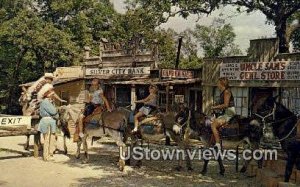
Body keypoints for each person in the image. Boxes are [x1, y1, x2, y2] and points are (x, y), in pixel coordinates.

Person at [211, 77, 236, 150]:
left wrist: (214, 107)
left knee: (213, 125)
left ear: (222, 84)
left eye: (218, 83)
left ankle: (218, 144)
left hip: (229, 112)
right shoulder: (223, 92)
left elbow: (226, 105)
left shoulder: (226, 92)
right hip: (225, 112)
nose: (217, 84)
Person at [38, 89, 59, 161]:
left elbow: (55, 115)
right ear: (48, 95)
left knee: (51, 139)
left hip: (50, 121)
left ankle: (50, 154)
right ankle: (46, 156)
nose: (53, 96)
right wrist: (56, 112)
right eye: (52, 94)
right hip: (47, 121)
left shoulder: (49, 102)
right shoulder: (46, 102)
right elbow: (54, 112)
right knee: (47, 139)